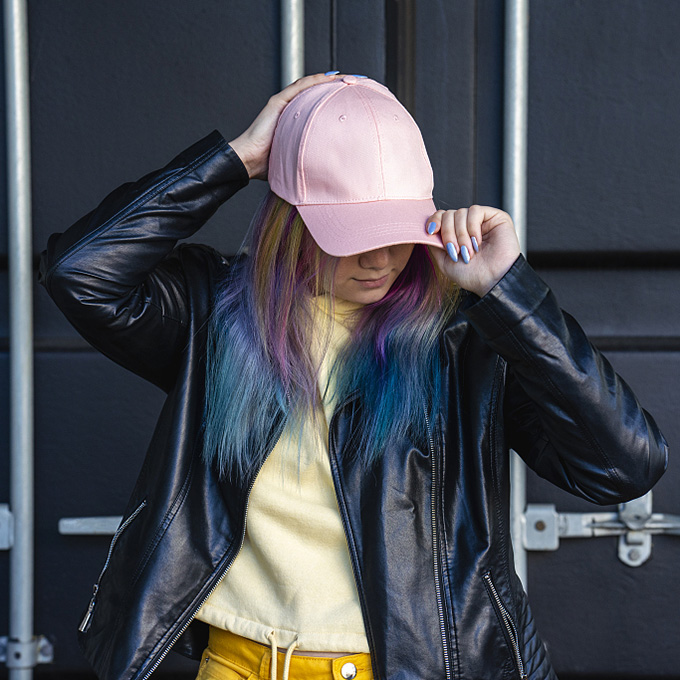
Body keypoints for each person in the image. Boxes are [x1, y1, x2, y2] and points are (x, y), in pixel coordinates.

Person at [40, 72, 668, 680]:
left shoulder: (462, 341)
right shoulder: (216, 315)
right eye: (352, 234)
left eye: (397, 230)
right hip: (236, 665)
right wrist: (236, 159)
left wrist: (510, 294)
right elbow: (78, 271)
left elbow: (624, 465)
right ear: (290, 220)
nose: (382, 258)